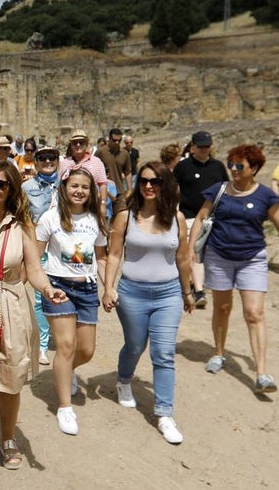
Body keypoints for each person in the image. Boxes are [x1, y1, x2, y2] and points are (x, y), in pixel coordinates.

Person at [0, 160, 67, 488]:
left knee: (10, 383)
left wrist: (48, 288)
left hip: (12, 309)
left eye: (2, 184)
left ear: (12, 189)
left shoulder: (22, 227)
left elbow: (33, 268)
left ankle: (7, 438)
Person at [188, 144, 279, 394]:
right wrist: (190, 248)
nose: (234, 170)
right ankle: (218, 353)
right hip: (220, 257)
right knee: (222, 307)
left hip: (253, 259)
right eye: (231, 165)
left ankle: (261, 373)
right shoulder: (219, 190)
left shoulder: (265, 196)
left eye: (240, 166)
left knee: (254, 313)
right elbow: (202, 217)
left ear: (254, 168)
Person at [101, 162, 193, 445]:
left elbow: (183, 259)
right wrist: (108, 288)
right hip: (132, 293)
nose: (149, 186)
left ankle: (164, 413)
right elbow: (114, 254)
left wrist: (187, 293)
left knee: (164, 353)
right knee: (135, 345)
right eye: (144, 181)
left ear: (165, 185)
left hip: (167, 294)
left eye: (155, 182)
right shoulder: (125, 217)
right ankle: (124, 379)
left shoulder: (176, 218)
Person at [35, 167, 108, 436]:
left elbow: (101, 257)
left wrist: (108, 287)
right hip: (58, 286)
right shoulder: (50, 218)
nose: (79, 191)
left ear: (90, 192)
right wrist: (42, 286)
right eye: (74, 185)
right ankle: (65, 407)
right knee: (65, 345)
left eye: (85, 187)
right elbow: (36, 257)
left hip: (87, 289)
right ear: (64, 188)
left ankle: (67, 370)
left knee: (86, 350)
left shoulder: (95, 219)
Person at [173, 130, 228, 309]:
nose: (204, 150)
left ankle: (205, 283)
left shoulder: (218, 167)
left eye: (207, 146)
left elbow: (226, 189)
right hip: (189, 216)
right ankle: (197, 290)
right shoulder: (184, 166)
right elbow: (173, 189)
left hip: (214, 218)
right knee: (194, 252)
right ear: (193, 147)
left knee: (209, 254)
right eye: (201, 146)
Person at [22, 145, 61, 364]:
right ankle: (42, 345)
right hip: (40, 249)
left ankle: (63, 337)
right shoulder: (27, 187)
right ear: (35, 162)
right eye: (43, 158)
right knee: (41, 298)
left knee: (63, 294)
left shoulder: (66, 185)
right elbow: (23, 217)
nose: (48, 161)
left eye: (52, 158)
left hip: (62, 250)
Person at [59, 130, 110, 220]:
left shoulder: (96, 162)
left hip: (91, 207)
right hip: (69, 208)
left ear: (87, 144)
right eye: (75, 143)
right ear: (71, 145)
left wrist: (103, 203)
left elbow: (103, 184)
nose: (78, 145)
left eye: (81, 142)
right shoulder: (65, 163)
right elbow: (60, 186)